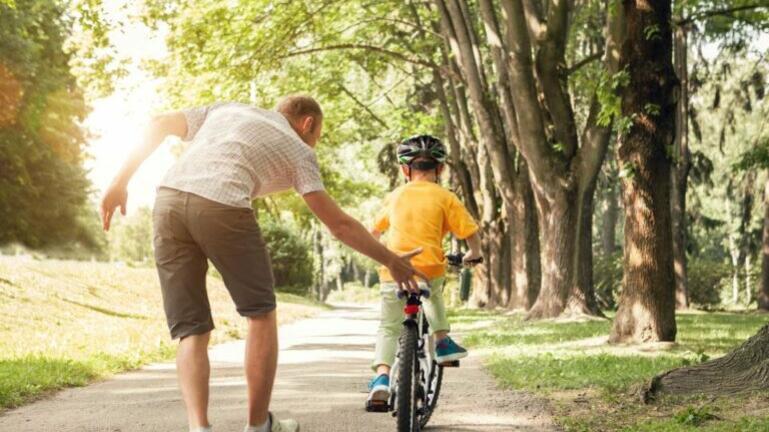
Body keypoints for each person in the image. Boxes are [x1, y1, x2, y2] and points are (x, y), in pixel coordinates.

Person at [100, 96, 427, 432]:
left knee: (191, 329)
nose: (314, 142)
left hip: (167, 202)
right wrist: (390, 259)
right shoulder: (300, 150)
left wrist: (119, 182)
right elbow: (339, 225)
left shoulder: (226, 109)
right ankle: (258, 425)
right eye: (317, 134)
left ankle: (199, 428)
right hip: (223, 205)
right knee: (260, 314)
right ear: (308, 124)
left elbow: (158, 123)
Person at [365, 135, 482, 409]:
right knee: (433, 296)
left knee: (388, 326)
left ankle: (382, 379)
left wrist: (384, 254)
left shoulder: (395, 196)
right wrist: (473, 254)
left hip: (393, 269)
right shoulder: (445, 196)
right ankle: (441, 341)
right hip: (429, 267)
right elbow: (470, 232)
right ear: (439, 169)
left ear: (405, 170)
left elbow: (373, 232)